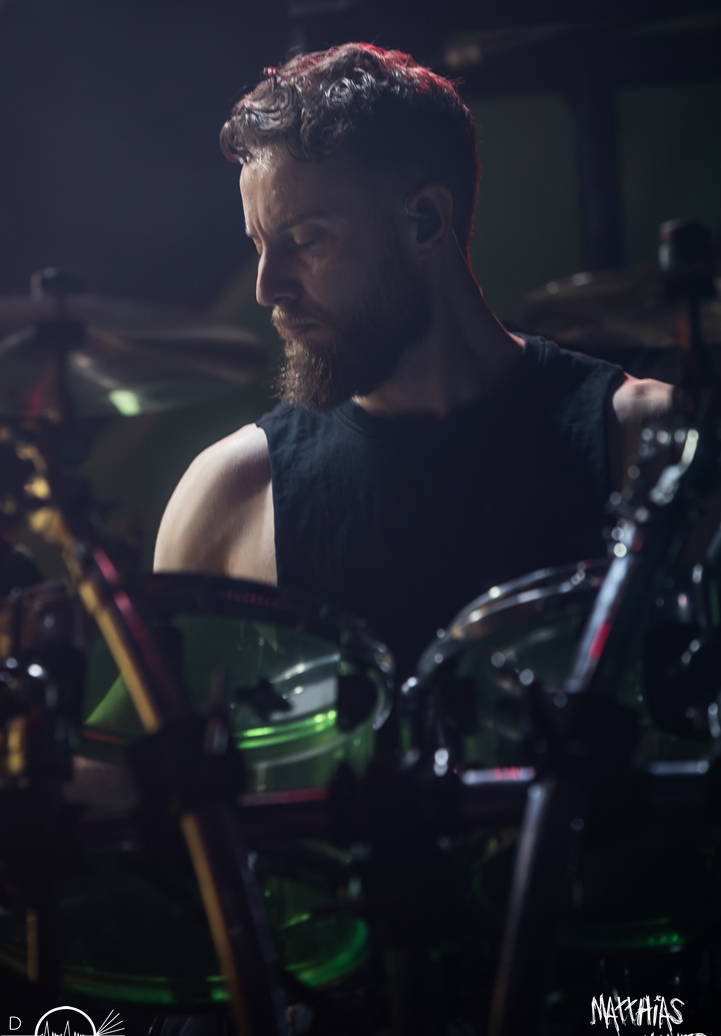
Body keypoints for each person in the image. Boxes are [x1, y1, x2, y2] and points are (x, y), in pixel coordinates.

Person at [154, 43, 671, 681]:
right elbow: (140, 736)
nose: (268, 288)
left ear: (425, 221)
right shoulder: (230, 499)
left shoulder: (650, 447)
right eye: (259, 245)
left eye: (304, 241)